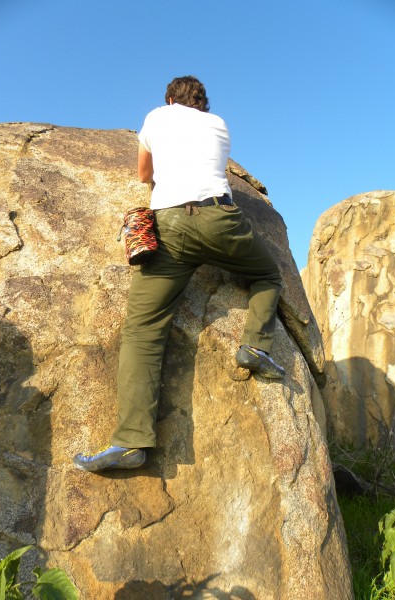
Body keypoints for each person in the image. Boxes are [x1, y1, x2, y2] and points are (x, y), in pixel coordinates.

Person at [73, 76, 285, 472]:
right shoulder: (219, 124)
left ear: (170, 99)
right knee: (268, 276)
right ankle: (255, 347)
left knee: (142, 329)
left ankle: (131, 442)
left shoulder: (156, 116)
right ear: (202, 103)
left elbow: (142, 173)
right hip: (222, 220)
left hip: (170, 225)